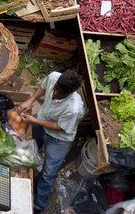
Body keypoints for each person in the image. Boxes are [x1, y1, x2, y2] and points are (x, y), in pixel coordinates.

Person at [17, 69, 85, 213]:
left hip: (59, 139)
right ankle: (28, 169)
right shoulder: (54, 77)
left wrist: (35, 120)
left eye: (60, 93)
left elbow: (59, 127)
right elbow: (43, 87)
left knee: (48, 173)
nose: (55, 93)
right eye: (56, 89)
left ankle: (38, 206)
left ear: (70, 93)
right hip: (41, 122)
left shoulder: (73, 108)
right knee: (31, 148)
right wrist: (30, 100)